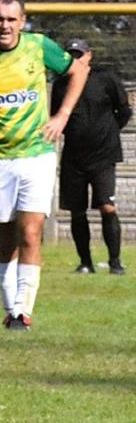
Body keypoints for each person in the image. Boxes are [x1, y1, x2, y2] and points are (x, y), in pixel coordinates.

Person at [0, 0, 89, 330]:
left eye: (11, 19)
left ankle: (23, 312)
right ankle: (10, 310)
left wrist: (62, 115)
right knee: (5, 239)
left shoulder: (38, 46)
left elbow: (79, 71)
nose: (5, 26)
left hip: (37, 155)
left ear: (22, 21)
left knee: (31, 232)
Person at [52, 37, 130, 275]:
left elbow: (124, 111)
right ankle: (85, 262)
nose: (75, 59)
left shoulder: (106, 79)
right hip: (74, 157)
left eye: (79, 54)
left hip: (104, 156)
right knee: (77, 211)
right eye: (71, 55)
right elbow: (57, 117)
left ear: (89, 55)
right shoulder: (61, 84)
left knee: (107, 206)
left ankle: (115, 262)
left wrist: (107, 133)